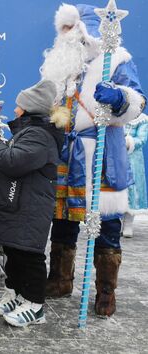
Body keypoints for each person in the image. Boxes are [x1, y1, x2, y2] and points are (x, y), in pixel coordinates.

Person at [41, 4, 146, 317]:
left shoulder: (117, 61)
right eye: (64, 31)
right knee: (62, 223)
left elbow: (137, 102)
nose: (67, 37)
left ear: (87, 34)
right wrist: (57, 120)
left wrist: (118, 98)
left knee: (108, 226)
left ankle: (105, 292)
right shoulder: (61, 66)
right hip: (66, 156)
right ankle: (60, 280)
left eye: (72, 31)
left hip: (102, 157)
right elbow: (54, 106)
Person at [0, 80, 65, 327]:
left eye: (19, 105)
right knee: (15, 250)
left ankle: (34, 304)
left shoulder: (39, 135)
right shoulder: (30, 131)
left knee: (29, 255)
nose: (15, 109)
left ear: (29, 108)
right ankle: (17, 293)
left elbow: (13, 161)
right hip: (21, 204)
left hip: (31, 208)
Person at [122, 113, 148, 237]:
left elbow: (142, 139)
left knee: (132, 190)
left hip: (133, 158)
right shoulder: (119, 115)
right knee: (117, 189)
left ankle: (128, 223)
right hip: (116, 156)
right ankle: (115, 222)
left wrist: (127, 142)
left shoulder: (142, 120)